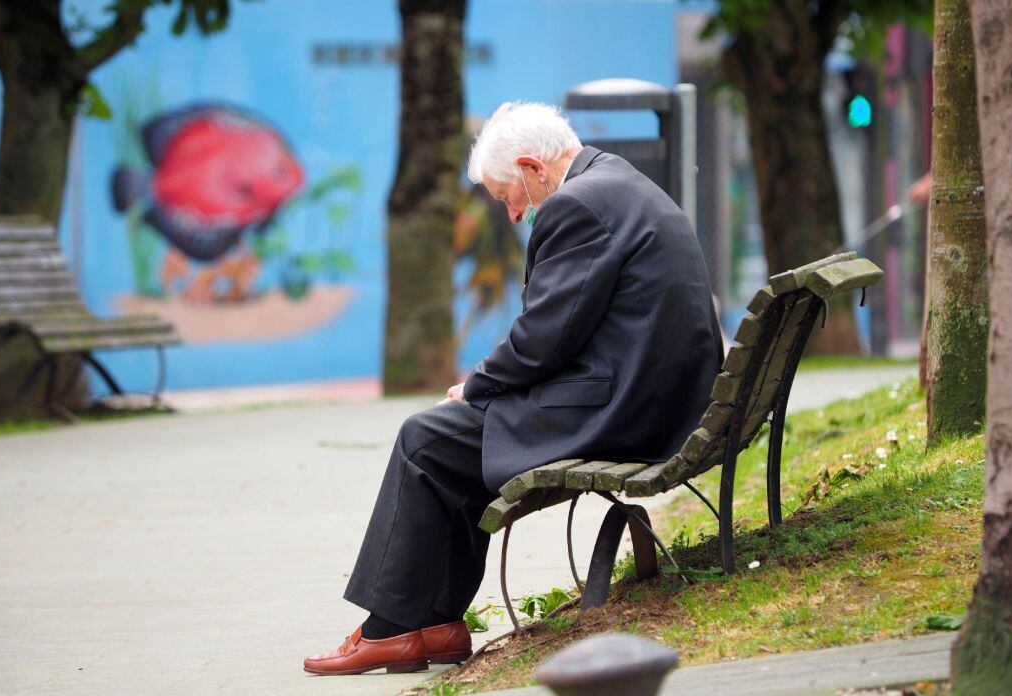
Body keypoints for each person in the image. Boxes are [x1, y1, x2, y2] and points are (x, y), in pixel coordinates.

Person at [303, 102, 723, 676]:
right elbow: (568, 331)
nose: (512, 215)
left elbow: (542, 338)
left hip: (627, 410)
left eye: (508, 197)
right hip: (658, 399)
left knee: (425, 437)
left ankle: (393, 629)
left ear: (532, 168)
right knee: (457, 443)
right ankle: (436, 623)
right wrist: (487, 393)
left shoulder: (577, 204)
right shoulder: (616, 182)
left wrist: (475, 386)